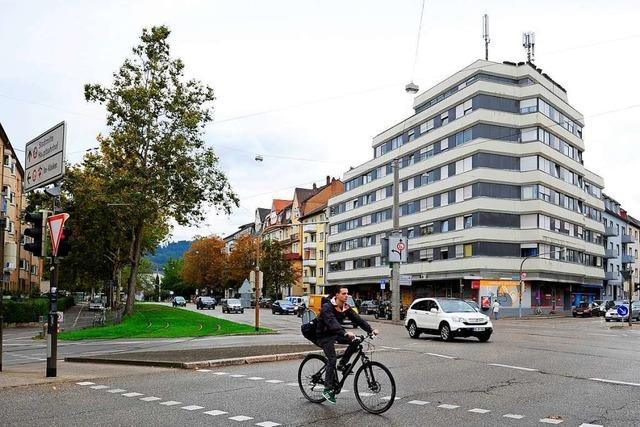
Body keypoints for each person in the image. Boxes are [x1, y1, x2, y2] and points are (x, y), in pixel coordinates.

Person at [315, 286, 378, 404]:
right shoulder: (327, 307)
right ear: (337, 295)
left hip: (335, 333)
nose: (346, 296)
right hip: (323, 335)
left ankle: (342, 364)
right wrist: (345, 333)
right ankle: (327, 389)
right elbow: (331, 322)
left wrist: (370, 330)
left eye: (347, 294)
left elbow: (358, 319)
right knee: (332, 359)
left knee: (356, 341)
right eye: (343, 293)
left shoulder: (346, 308)